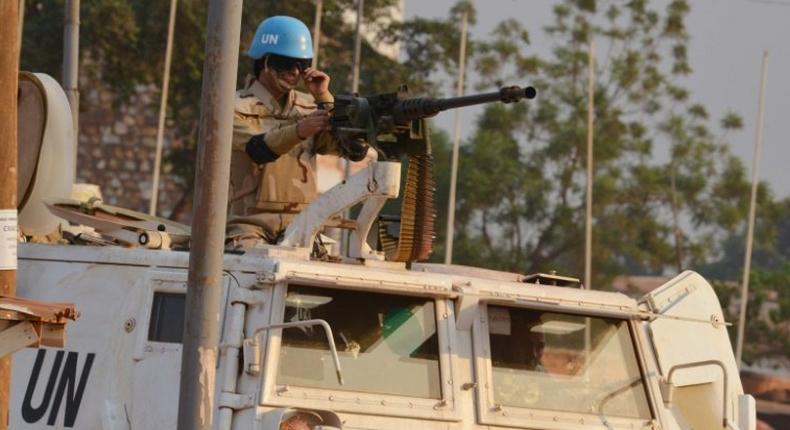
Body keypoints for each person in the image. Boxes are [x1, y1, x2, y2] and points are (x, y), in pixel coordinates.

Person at [226, 16, 368, 248]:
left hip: (303, 225)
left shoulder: (309, 107)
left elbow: (352, 149)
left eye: (301, 64)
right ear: (265, 62)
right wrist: (300, 130)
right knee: (253, 271)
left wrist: (324, 97)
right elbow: (258, 149)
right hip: (248, 225)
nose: (294, 71)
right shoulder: (232, 106)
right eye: (285, 63)